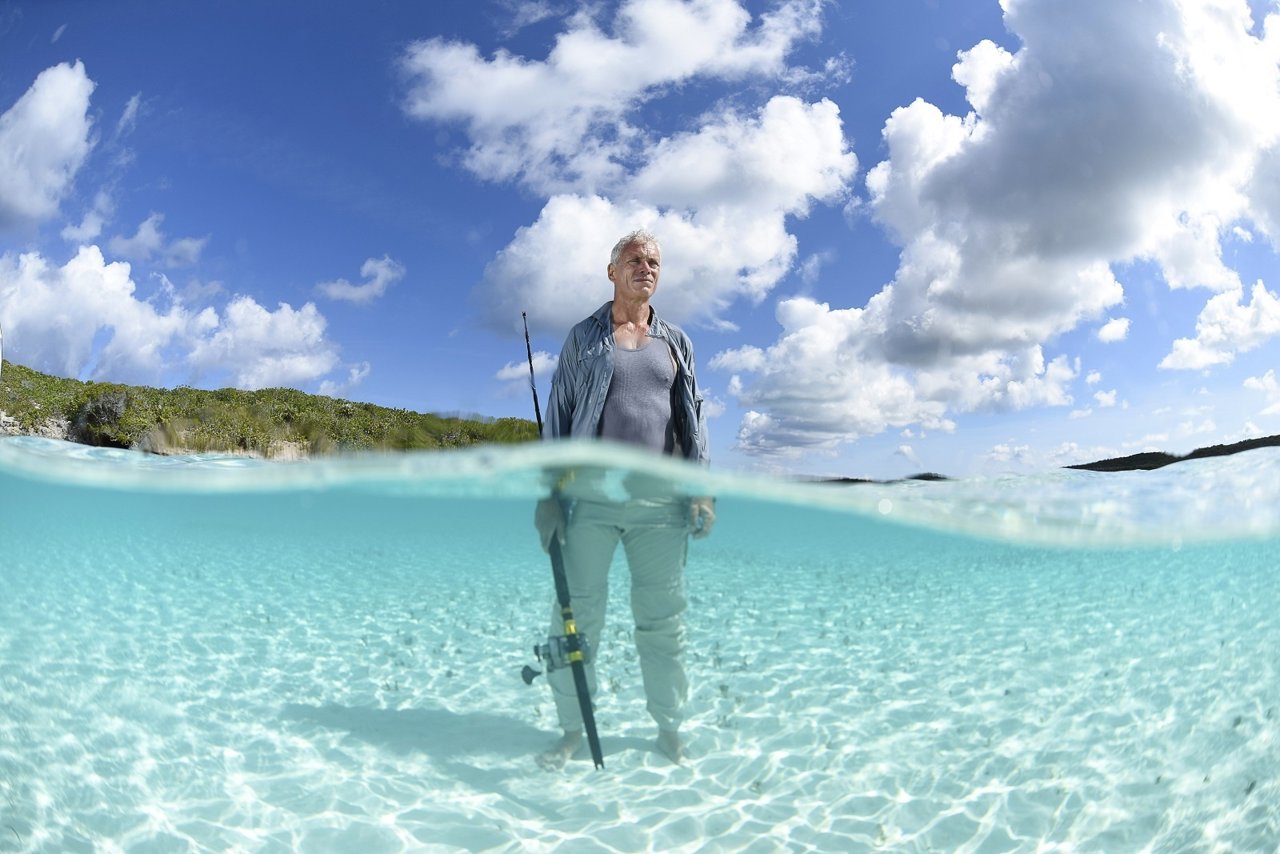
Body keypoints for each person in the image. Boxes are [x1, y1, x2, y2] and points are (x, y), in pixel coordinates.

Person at [533, 229, 715, 769]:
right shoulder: (583, 337)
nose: (646, 267)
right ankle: (571, 728)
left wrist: (700, 490)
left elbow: (694, 422)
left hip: (660, 508)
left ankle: (669, 727)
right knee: (574, 618)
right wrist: (550, 494)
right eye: (634, 259)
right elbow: (559, 416)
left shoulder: (676, 342)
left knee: (663, 622)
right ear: (611, 270)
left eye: (654, 260)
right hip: (589, 501)